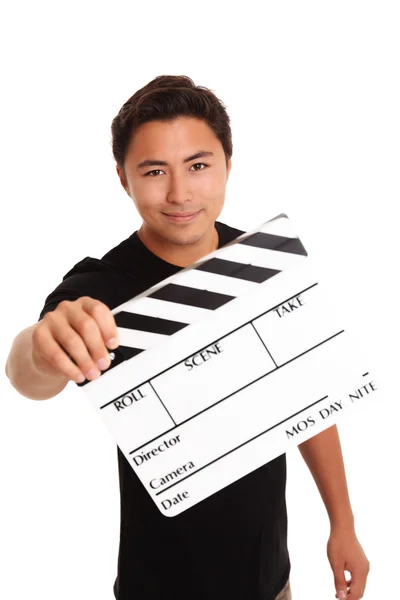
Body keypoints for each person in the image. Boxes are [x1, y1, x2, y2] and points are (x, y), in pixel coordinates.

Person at [5, 75, 370, 600]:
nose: (179, 194)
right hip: (160, 588)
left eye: (198, 166)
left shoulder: (261, 264)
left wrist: (343, 522)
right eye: (154, 172)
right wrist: (41, 346)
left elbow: (306, 399)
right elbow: (28, 376)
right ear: (123, 178)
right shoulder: (101, 287)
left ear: (227, 164)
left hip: (272, 582)